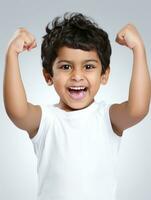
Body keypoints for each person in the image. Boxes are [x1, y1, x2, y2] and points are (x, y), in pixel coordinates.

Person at [3, 12, 151, 200]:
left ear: (104, 75)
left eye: (88, 67)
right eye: (66, 67)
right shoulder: (46, 119)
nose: (77, 76)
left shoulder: (107, 117)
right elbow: (17, 111)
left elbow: (138, 109)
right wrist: (11, 55)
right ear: (48, 76)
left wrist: (139, 49)